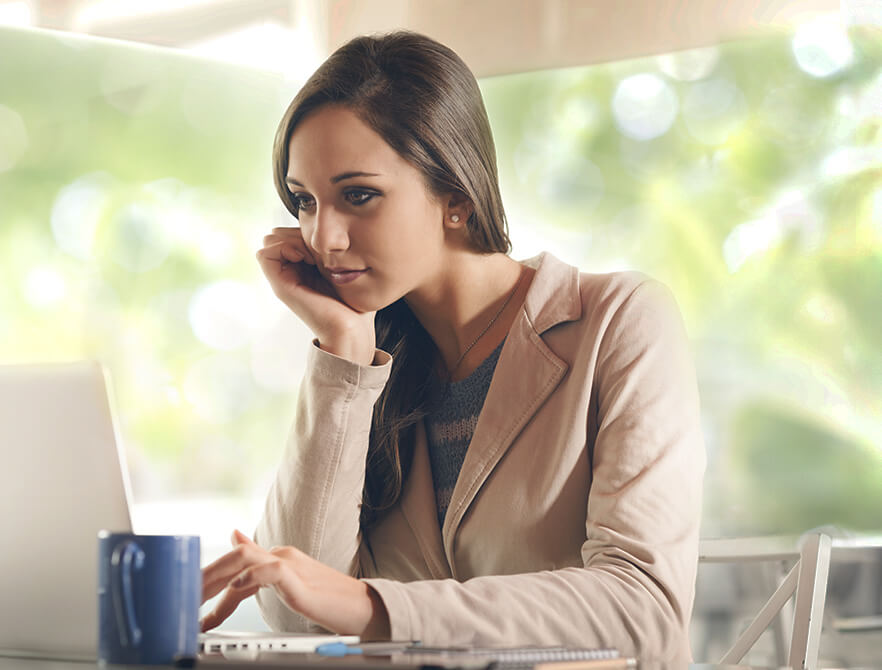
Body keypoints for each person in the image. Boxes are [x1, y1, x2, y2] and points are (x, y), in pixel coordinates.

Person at [199, 31, 705, 658]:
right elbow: (296, 615)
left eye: (358, 195)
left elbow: (643, 609)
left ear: (457, 201)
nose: (322, 236)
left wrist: (372, 606)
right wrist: (341, 353)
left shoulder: (619, 321)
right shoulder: (371, 366)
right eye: (304, 201)